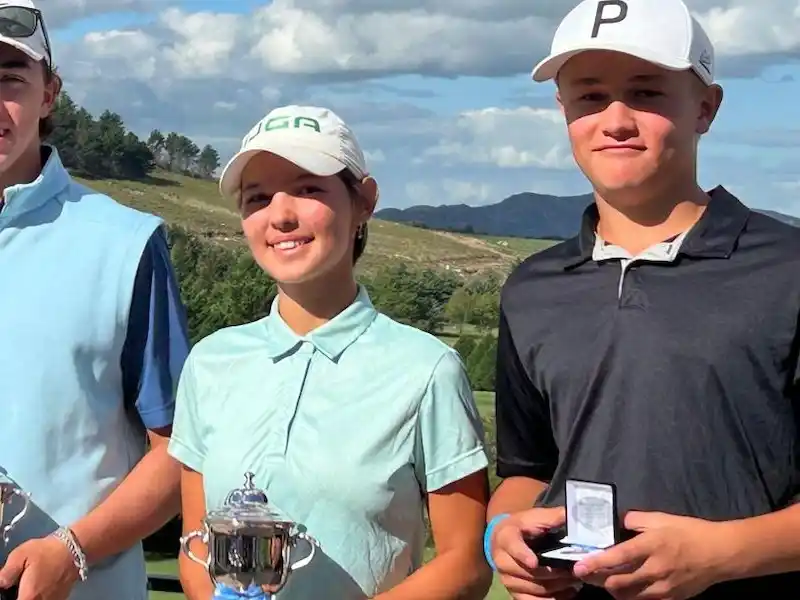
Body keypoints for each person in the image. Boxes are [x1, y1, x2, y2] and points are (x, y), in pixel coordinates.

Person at [484, 0, 800, 599]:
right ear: (563, 109)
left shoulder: (788, 269)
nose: (616, 119)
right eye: (590, 96)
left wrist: (721, 554)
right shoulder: (533, 288)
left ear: (706, 107)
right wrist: (502, 532)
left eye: (648, 93)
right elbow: (528, 472)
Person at [167, 104, 492, 600]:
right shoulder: (210, 362)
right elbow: (196, 547)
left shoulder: (427, 370)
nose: (281, 215)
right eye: (258, 198)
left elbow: (465, 564)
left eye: (308, 188)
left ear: (364, 201)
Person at [0, 2, 189, 600]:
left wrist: (74, 551)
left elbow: (183, 452)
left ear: (49, 94)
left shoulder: (124, 244)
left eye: (8, 79)